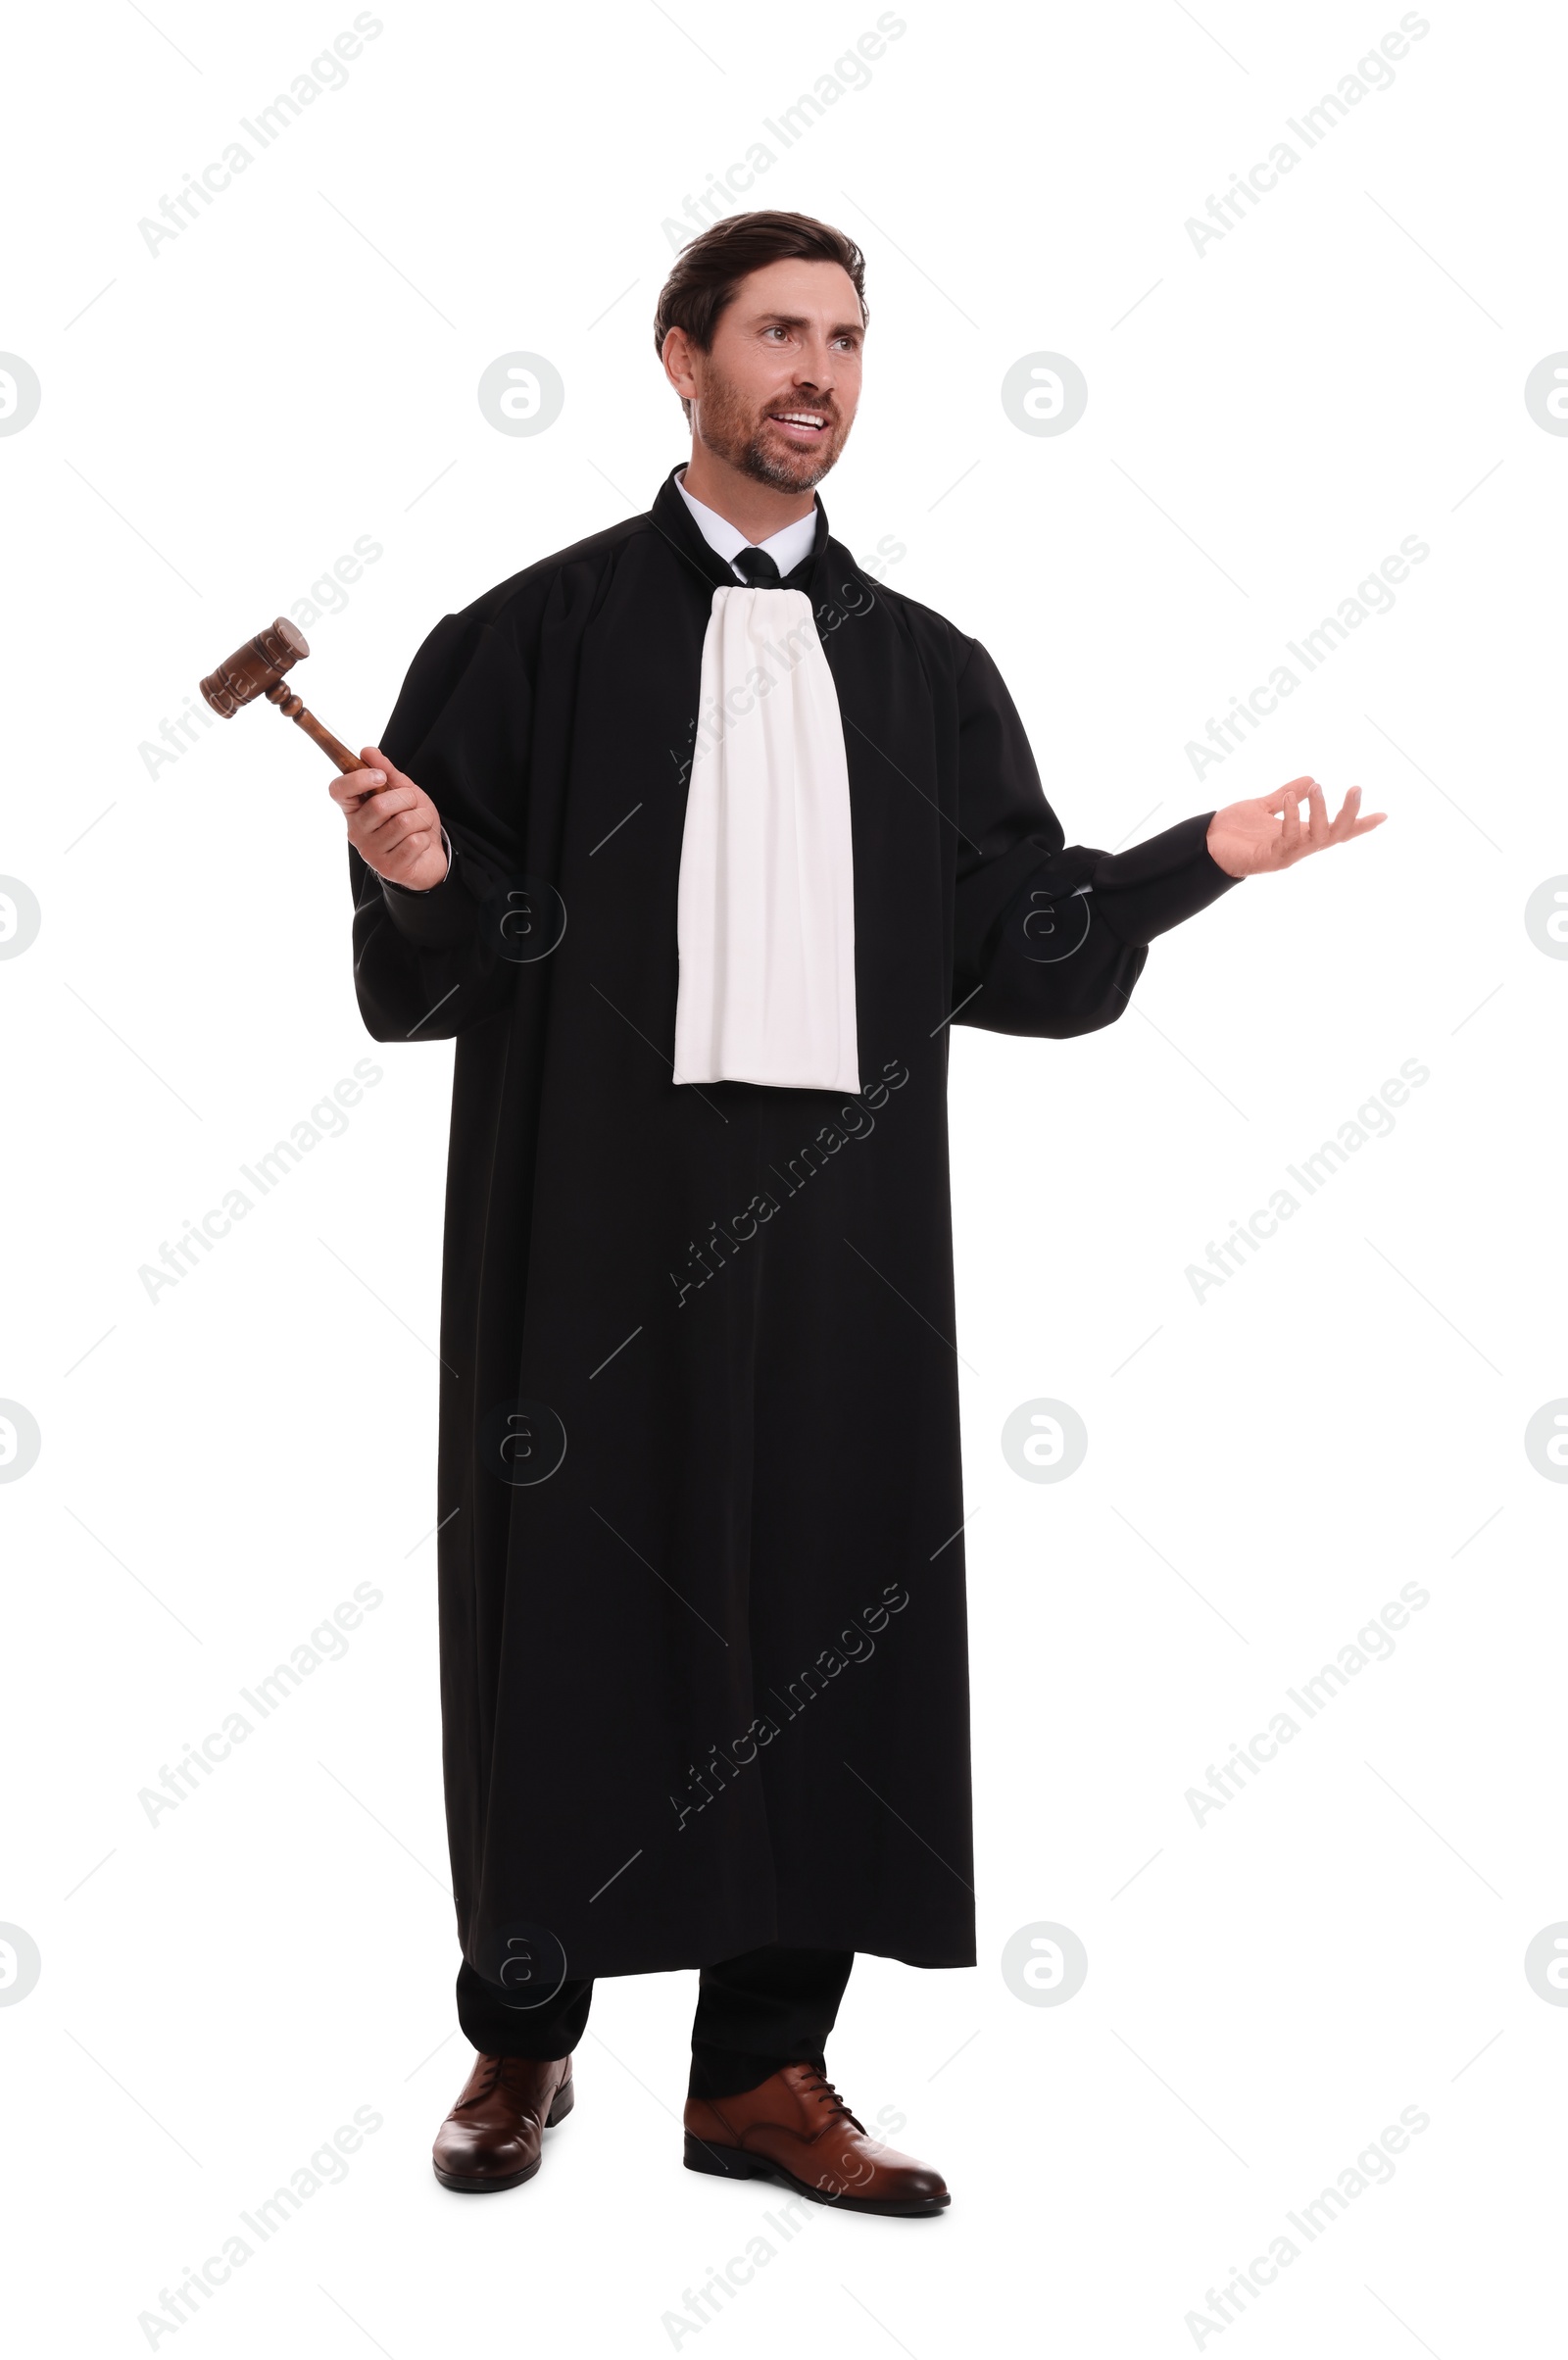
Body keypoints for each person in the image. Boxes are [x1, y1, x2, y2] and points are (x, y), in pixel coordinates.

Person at [333, 210, 1384, 2217]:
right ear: (677, 358)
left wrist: (1197, 861)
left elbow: (1018, 946)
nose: (813, 372)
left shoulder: (923, 672)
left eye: (843, 339)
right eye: (774, 335)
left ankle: (759, 2072)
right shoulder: (525, 637)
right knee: (568, 1611)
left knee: (827, 1605)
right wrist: (405, 863)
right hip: (588, 1223)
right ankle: (522, 2035)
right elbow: (443, 965)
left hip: (839, 1238)